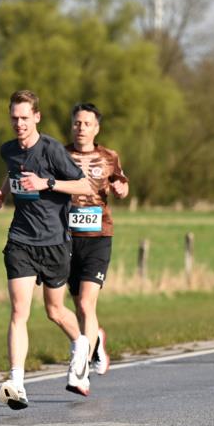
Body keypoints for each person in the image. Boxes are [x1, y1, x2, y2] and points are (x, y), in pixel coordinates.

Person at [0, 90, 94, 404]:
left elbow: (84, 185)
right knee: (19, 311)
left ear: (36, 117)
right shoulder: (8, 149)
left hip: (55, 241)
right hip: (21, 239)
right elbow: (14, 174)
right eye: (14, 118)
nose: (18, 124)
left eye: (24, 117)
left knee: (54, 310)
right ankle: (17, 383)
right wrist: (2, 193)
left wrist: (47, 183)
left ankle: (80, 344)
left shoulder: (51, 150)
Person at [64, 103, 129, 376]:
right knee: (78, 304)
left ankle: (82, 368)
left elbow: (123, 186)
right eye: (78, 123)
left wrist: (119, 188)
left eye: (87, 124)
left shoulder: (109, 156)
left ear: (96, 128)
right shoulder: (61, 154)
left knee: (85, 303)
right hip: (67, 238)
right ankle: (95, 341)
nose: (81, 128)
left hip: (98, 236)